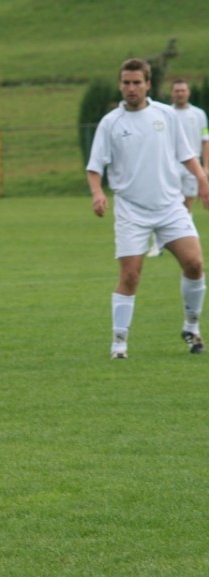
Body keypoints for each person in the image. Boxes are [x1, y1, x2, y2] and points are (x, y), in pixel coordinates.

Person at [87, 58, 209, 359]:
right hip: (132, 210)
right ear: (121, 85)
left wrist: (203, 181)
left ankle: (191, 327)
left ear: (148, 85)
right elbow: (94, 167)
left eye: (136, 82)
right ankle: (119, 344)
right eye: (126, 83)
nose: (131, 88)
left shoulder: (166, 115)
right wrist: (97, 192)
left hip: (170, 205)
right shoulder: (110, 122)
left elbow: (186, 154)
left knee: (194, 264)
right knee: (130, 277)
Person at [147, 79, 209, 257]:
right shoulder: (164, 113)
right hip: (170, 164)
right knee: (164, 202)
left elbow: (205, 141)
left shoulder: (198, 114)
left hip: (192, 164)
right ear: (172, 93)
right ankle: (157, 244)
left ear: (188, 92)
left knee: (186, 204)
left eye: (183, 90)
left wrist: (206, 166)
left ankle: (185, 241)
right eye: (177, 91)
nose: (180, 94)